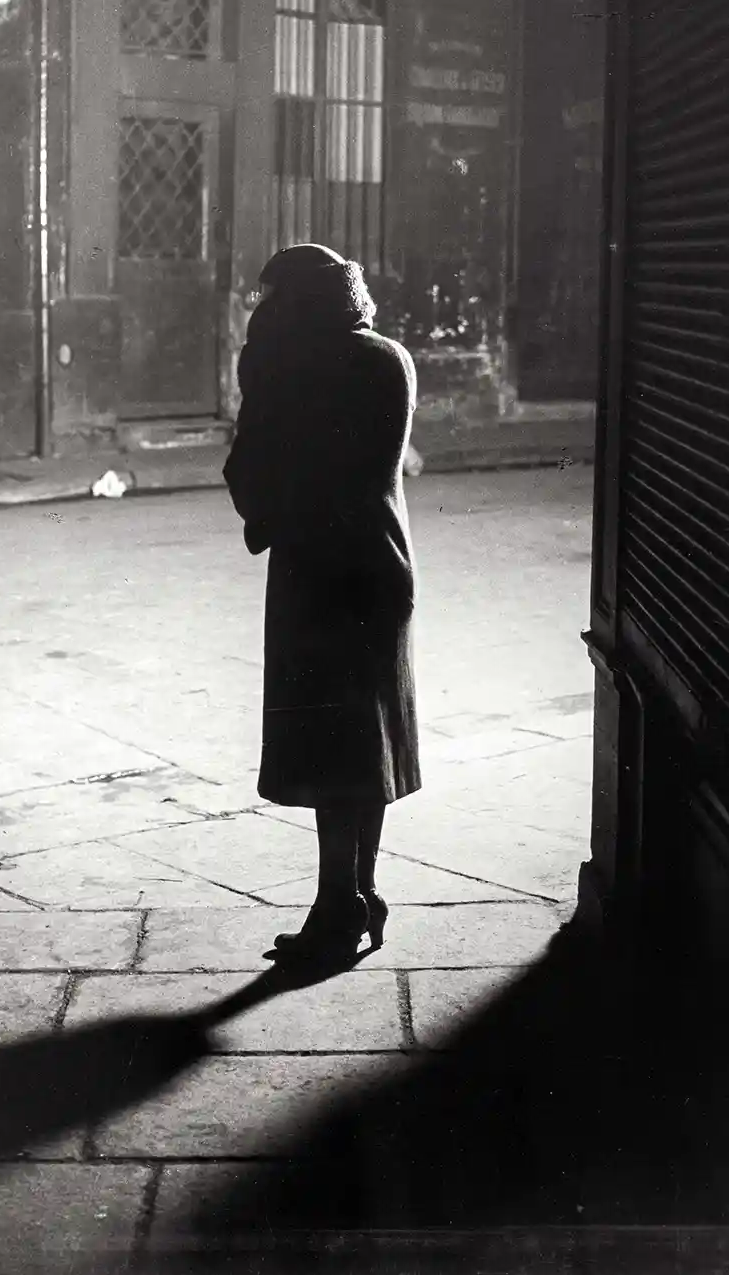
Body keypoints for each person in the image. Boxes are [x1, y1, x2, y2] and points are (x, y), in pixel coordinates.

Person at [223, 243, 421, 964]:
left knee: (331, 745)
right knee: (365, 741)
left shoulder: (288, 367)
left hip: (318, 570)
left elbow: (253, 475)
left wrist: (258, 370)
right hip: (382, 563)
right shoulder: (388, 356)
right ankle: (357, 892)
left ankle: (337, 904)